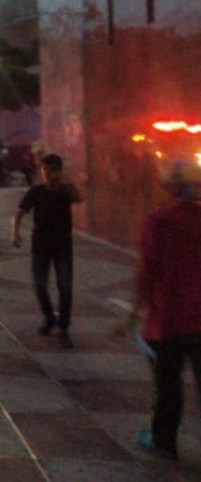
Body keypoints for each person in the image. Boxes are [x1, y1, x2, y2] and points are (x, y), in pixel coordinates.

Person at [117, 161, 201, 461]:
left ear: (169, 187)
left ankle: (164, 441)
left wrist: (131, 314)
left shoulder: (157, 221)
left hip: (167, 321)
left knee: (168, 389)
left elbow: (146, 271)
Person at [11, 153, 83, 349]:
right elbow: (19, 212)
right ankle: (50, 317)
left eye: (52, 170)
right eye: (44, 170)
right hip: (40, 245)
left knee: (65, 287)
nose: (47, 174)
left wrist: (66, 180)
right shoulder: (36, 191)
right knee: (40, 285)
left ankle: (63, 328)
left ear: (59, 171)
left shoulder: (65, 191)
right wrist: (15, 233)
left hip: (62, 246)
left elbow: (79, 198)